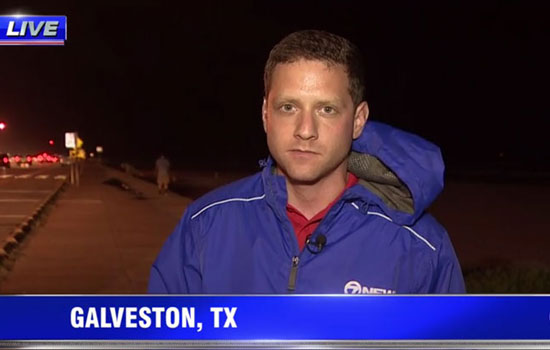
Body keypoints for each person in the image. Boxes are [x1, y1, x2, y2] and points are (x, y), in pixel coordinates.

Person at [149, 30, 465, 294]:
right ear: (265, 114)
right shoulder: (204, 226)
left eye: (326, 110)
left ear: (358, 120)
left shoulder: (424, 249)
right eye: (288, 107)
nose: (305, 130)